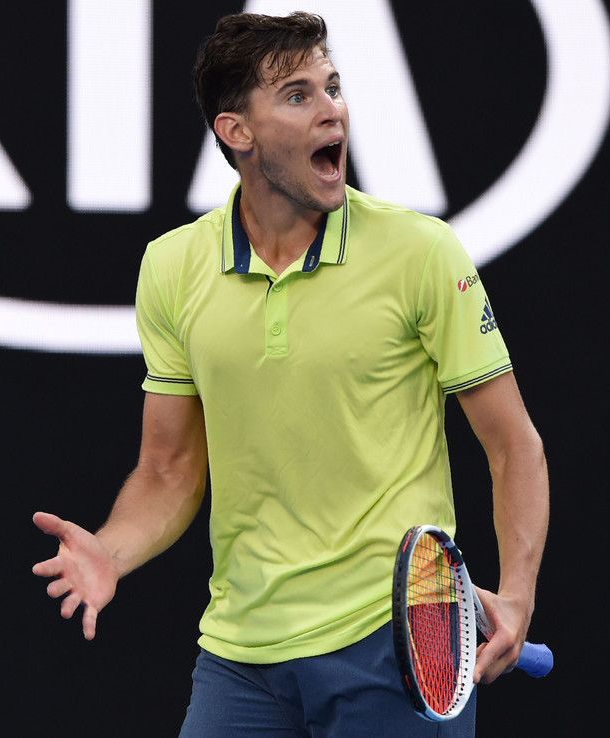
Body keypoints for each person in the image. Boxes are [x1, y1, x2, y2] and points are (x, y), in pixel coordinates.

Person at [32, 11, 549, 736]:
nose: (332, 109)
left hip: (392, 642)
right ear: (236, 131)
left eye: (332, 87)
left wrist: (518, 596)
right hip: (241, 655)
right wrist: (111, 553)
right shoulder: (172, 267)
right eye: (298, 95)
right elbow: (170, 468)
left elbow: (512, 444)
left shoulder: (421, 254)